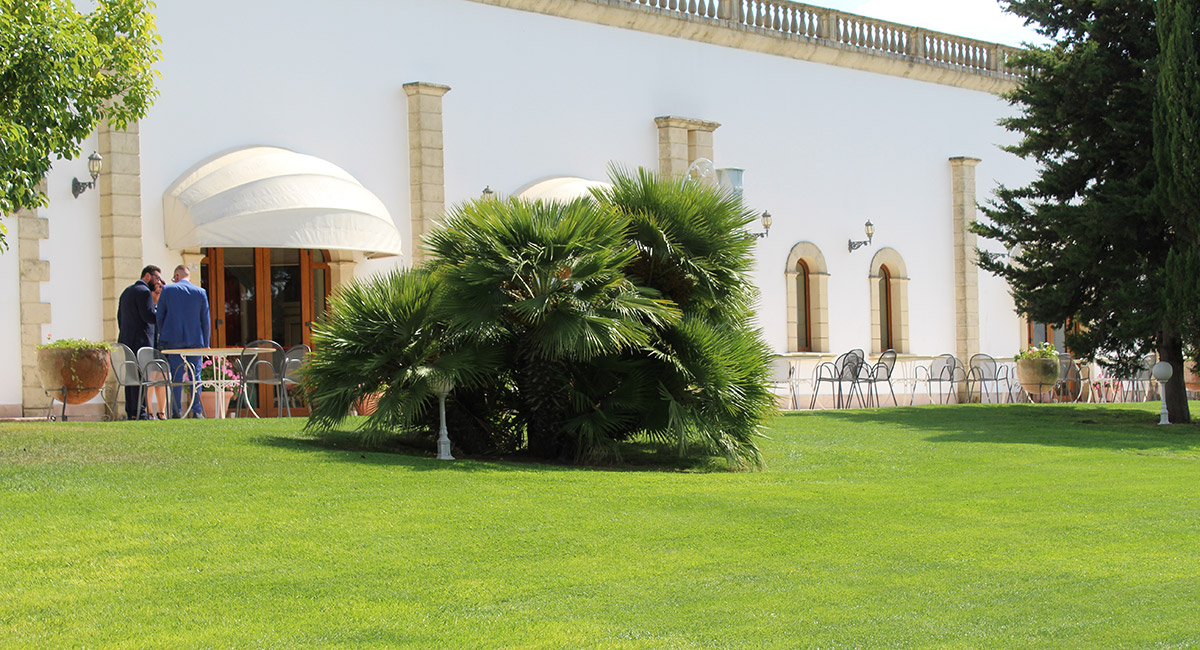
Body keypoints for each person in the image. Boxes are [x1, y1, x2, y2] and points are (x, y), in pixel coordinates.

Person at [156, 264, 211, 418]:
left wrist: (163, 334)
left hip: (173, 340)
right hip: (195, 340)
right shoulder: (200, 292)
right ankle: (197, 411)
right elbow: (205, 320)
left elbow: (160, 315)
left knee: (176, 376)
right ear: (189, 277)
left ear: (177, 276)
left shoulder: (168, 290)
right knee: (196, 376)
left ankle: (176, 411)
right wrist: (206, 343)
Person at [117, 265, 162, 420]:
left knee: (131, 378)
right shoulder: (144, 292)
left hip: (127, 340)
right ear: (147, 276)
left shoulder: (127, 291)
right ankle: (140, 412)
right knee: (142, 377)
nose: (158, 283)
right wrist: (160, 310)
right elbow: (149, 316)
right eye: (157, 278)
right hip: (141, 342)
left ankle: (131, 411)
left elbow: (119, 318)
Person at [146, 279, 168, 419]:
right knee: (150, 380)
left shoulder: (165, 309)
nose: (159, 294)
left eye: (161, 291)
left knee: (162, 380)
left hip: (163, 346)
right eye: (156, 291)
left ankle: (162, 412)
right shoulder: (149, 309)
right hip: (151, 345)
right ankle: (149, 412)